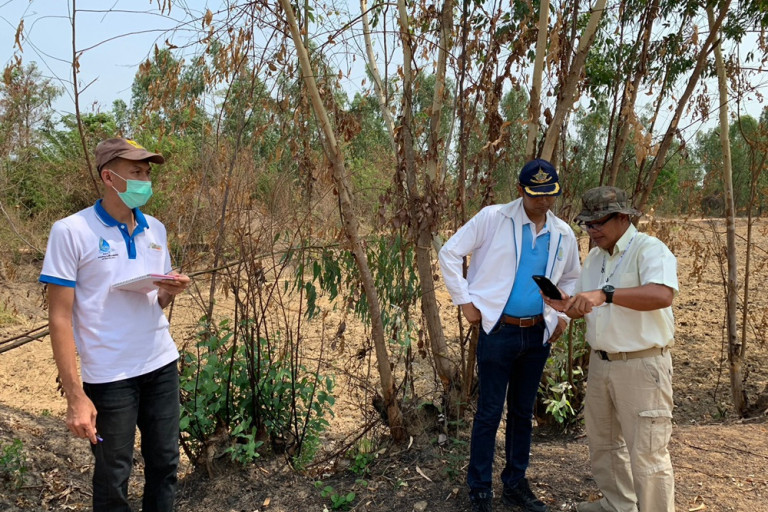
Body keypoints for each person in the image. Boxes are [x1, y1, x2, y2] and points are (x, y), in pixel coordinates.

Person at [39, 138, 190, 512]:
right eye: (136, 172)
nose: (145, 181)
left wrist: (168, 291)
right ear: (109, 177)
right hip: (110, 377)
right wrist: (75, 396)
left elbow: (154, 301)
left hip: (160, 365)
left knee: (165, 465)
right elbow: (59, 318)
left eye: (148, 173)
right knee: (112, 477)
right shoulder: (71, 231)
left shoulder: (155, 229)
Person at [439, 159, 581, 512]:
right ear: (520, 190)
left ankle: (515, 483)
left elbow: (571, 278)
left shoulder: (563, 233)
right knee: (489, 412)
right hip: (498, 330)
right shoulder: (493, 218)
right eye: (536, 195)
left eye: (550, 195)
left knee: (521, 412)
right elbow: (449, 252)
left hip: (537, 333)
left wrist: (562, 317)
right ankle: (480, 489)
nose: (543, 202)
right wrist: (465, 302)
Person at [543, 186, 677, 512]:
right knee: (604, 444)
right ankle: (618, 505)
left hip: (642, 364)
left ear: (623, 217)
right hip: (601, 363)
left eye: (599, 222)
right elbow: (587, 304)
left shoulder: (649, 249)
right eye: (587, 224)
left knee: (647, 453)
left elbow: (662, 295)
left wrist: (607, 295)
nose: (592, 230)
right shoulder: (595, 258)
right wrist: (568, 305)